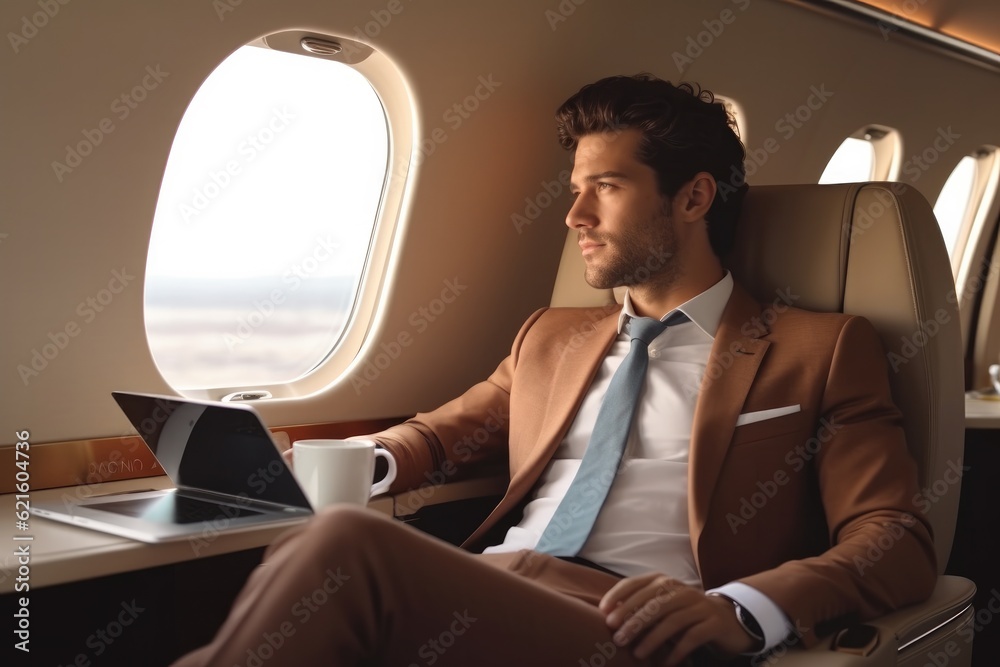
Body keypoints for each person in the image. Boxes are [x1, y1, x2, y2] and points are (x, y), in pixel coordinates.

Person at [173, 74, 936, 667]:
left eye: (605, 187)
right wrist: (354, 462)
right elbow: (444, 434)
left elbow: (895, 537)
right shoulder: (552, 336)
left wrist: (741, 607)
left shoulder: (819, 348)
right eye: (576, 189)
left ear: (695, 196)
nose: (574, 215)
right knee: (300, 554)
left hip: (639, 623)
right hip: (501, 586)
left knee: (345, 548)